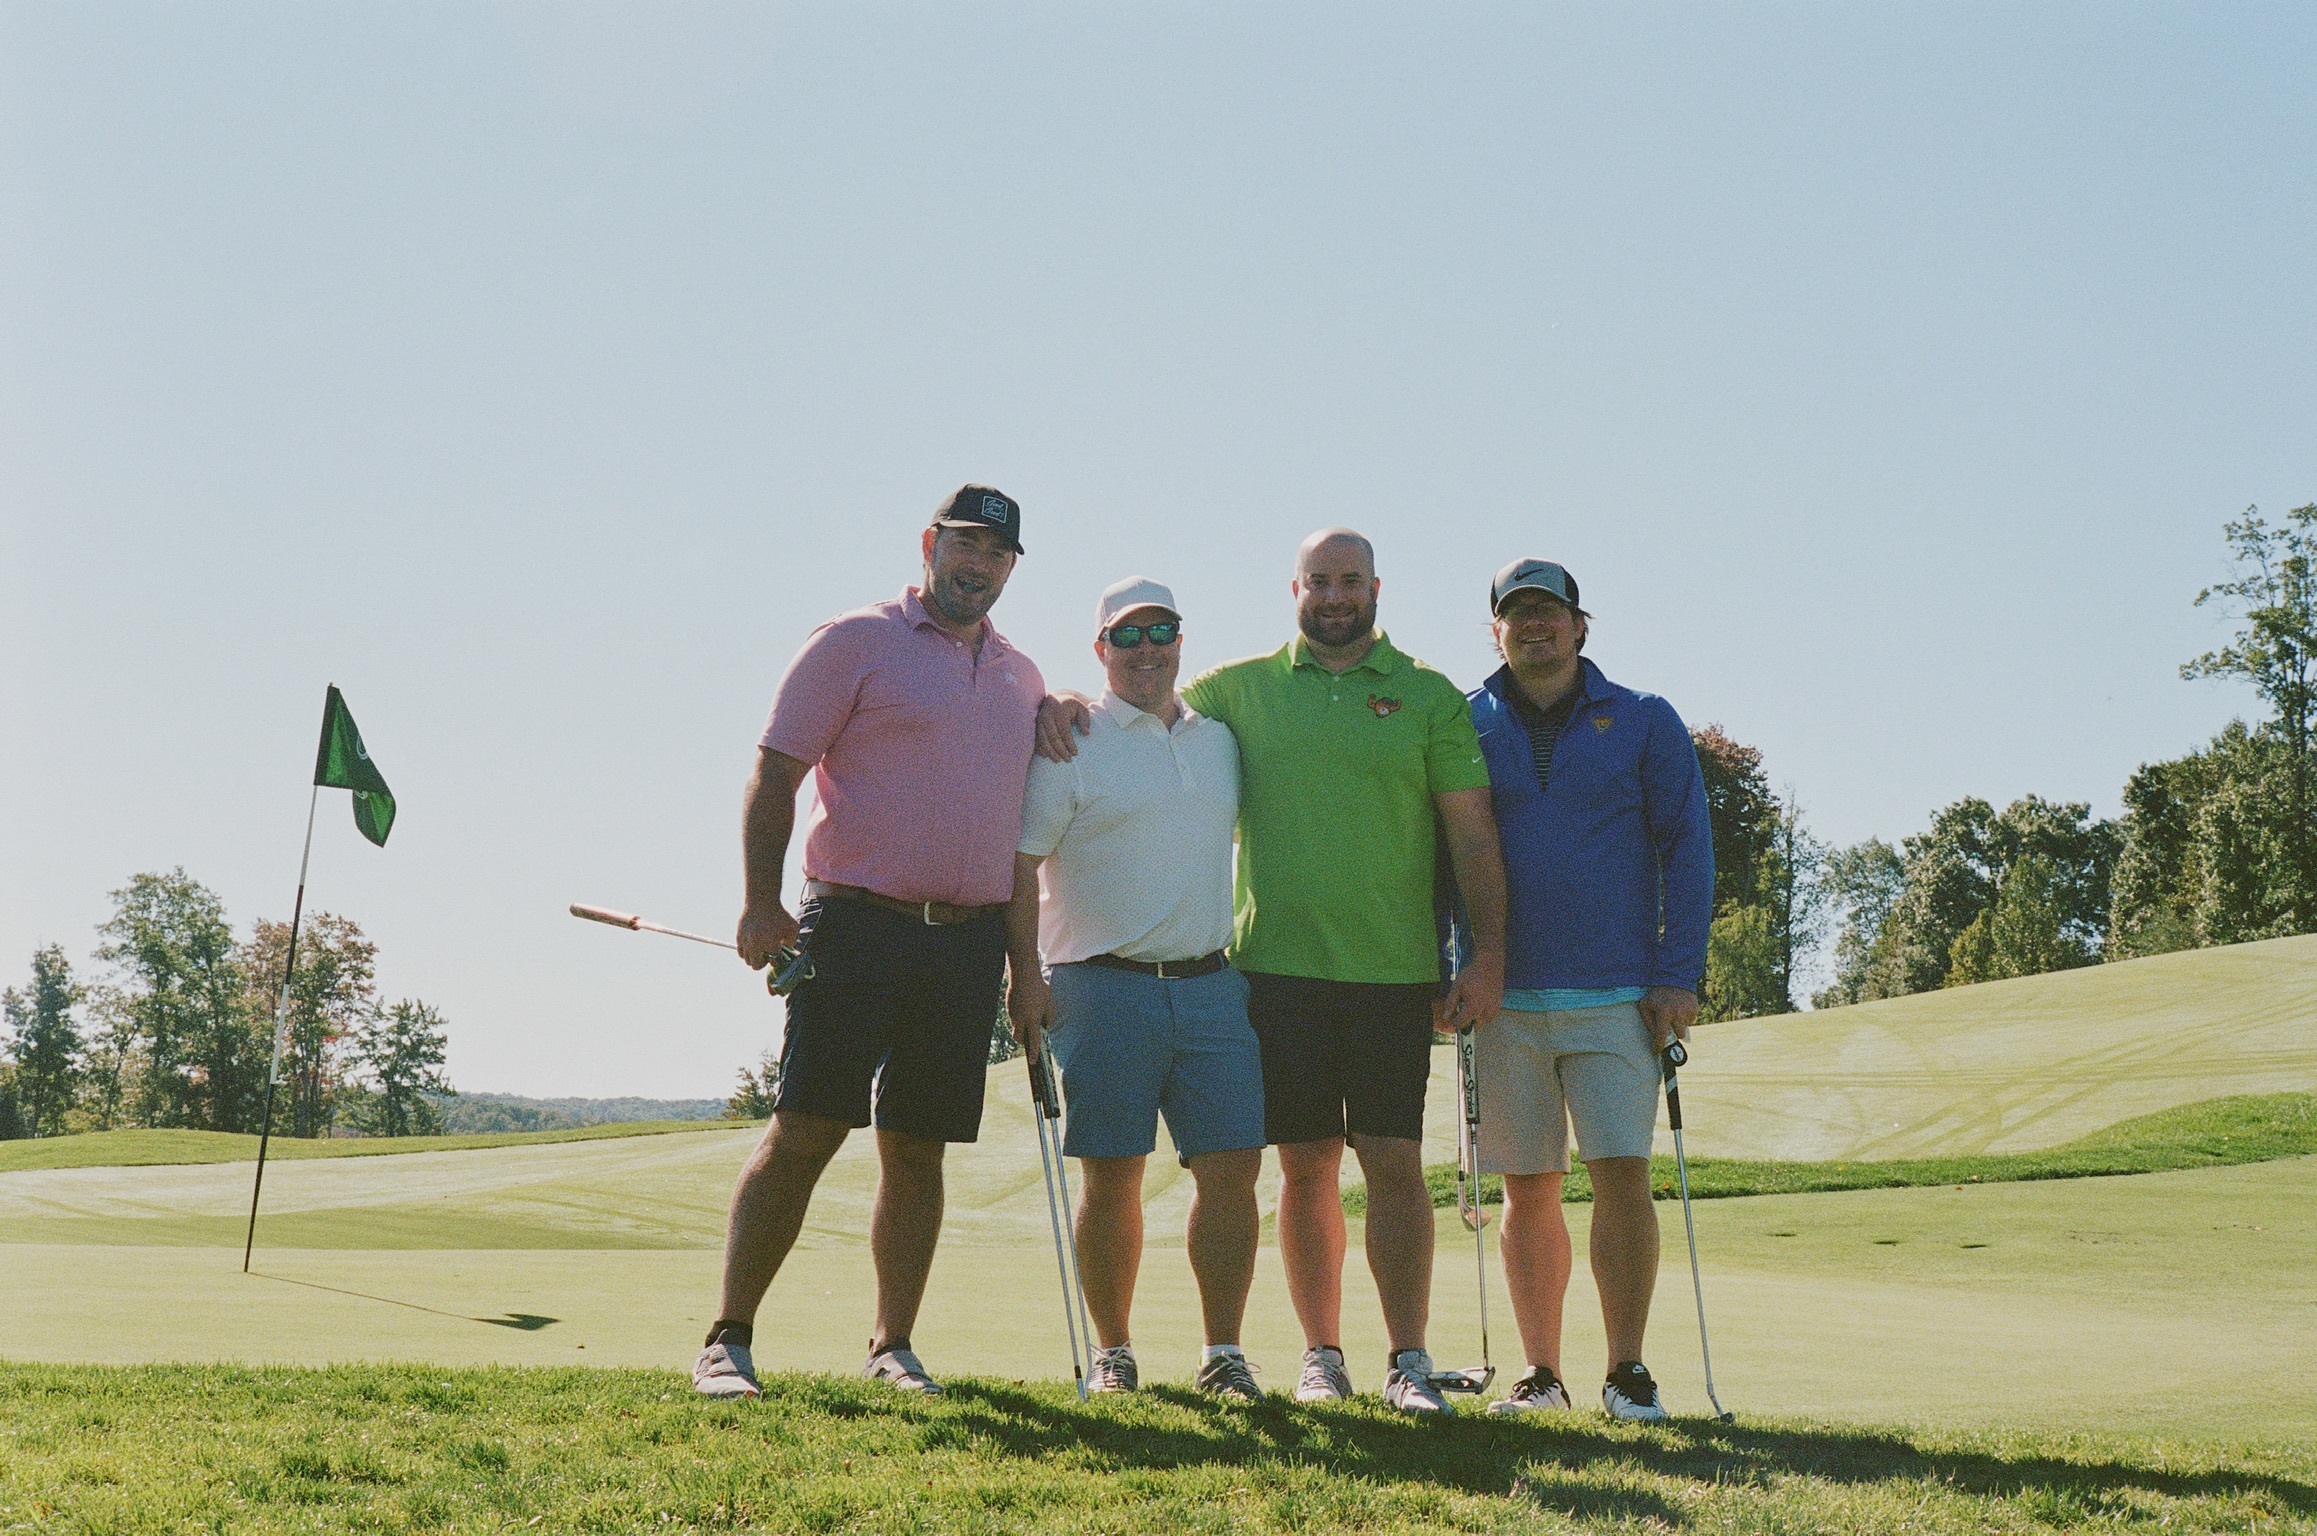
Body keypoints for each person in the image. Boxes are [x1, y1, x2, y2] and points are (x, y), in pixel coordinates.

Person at [1039, 529, 1508, 1416]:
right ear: (1295, 590)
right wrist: (1061, 697)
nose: (1334, 596)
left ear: (1376, 588)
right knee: (1304, 1165)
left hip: (1393, 970)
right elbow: (1142, 698)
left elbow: (1473, 834)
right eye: (1318, 581)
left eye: (1349, 581)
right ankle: (1320, 1355)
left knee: (1395, 1162)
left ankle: (1407, 1360)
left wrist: (1486, 956)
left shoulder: (1427, 695)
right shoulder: (1238, 690)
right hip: (1272, 972)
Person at [692, 485, 1045, 1401]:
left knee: (918, 1147)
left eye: (997, 553)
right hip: (854, 925)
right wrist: (760, 901)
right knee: (807, 1127)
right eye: (964, 544)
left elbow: (1019, 834)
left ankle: (893, 1347)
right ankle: (727, 1340)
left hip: (964, 943)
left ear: (1012, 568)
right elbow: (775, 770)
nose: (978, 565)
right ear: (930, 543)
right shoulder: (854, 640)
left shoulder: (1021, 675)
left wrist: (1023, 968)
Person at [1004, 577, 1267, 1402]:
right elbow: (1019, 868)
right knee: (1112, 1175)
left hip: (1210, 983)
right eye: (1126, 635)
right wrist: (1023, 977)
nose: (1145, 648)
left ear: (1181, 641)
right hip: (1098, 986)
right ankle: (1113, 1353)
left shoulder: (1219, 740)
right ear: (1101, 649)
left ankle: (1222, 1353)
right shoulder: (1070, 739)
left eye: (1160, 631)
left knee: (1231, 1168)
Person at [1461, 559, 1712, 1422]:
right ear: (1495, 630)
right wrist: (1448, 966)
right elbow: (1439, 857)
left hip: (1617, 993)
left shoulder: (1643, 718)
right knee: (1526, 1188)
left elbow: (1687, 850)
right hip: (1503, 997)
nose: (1534, 625)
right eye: (1516, 613)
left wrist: (1676, 973)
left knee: (1621, 1176)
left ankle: (1626, 1372)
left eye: (1549, 611)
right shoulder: (1462, 721)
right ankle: (1541, 1374)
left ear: (1579, 625)